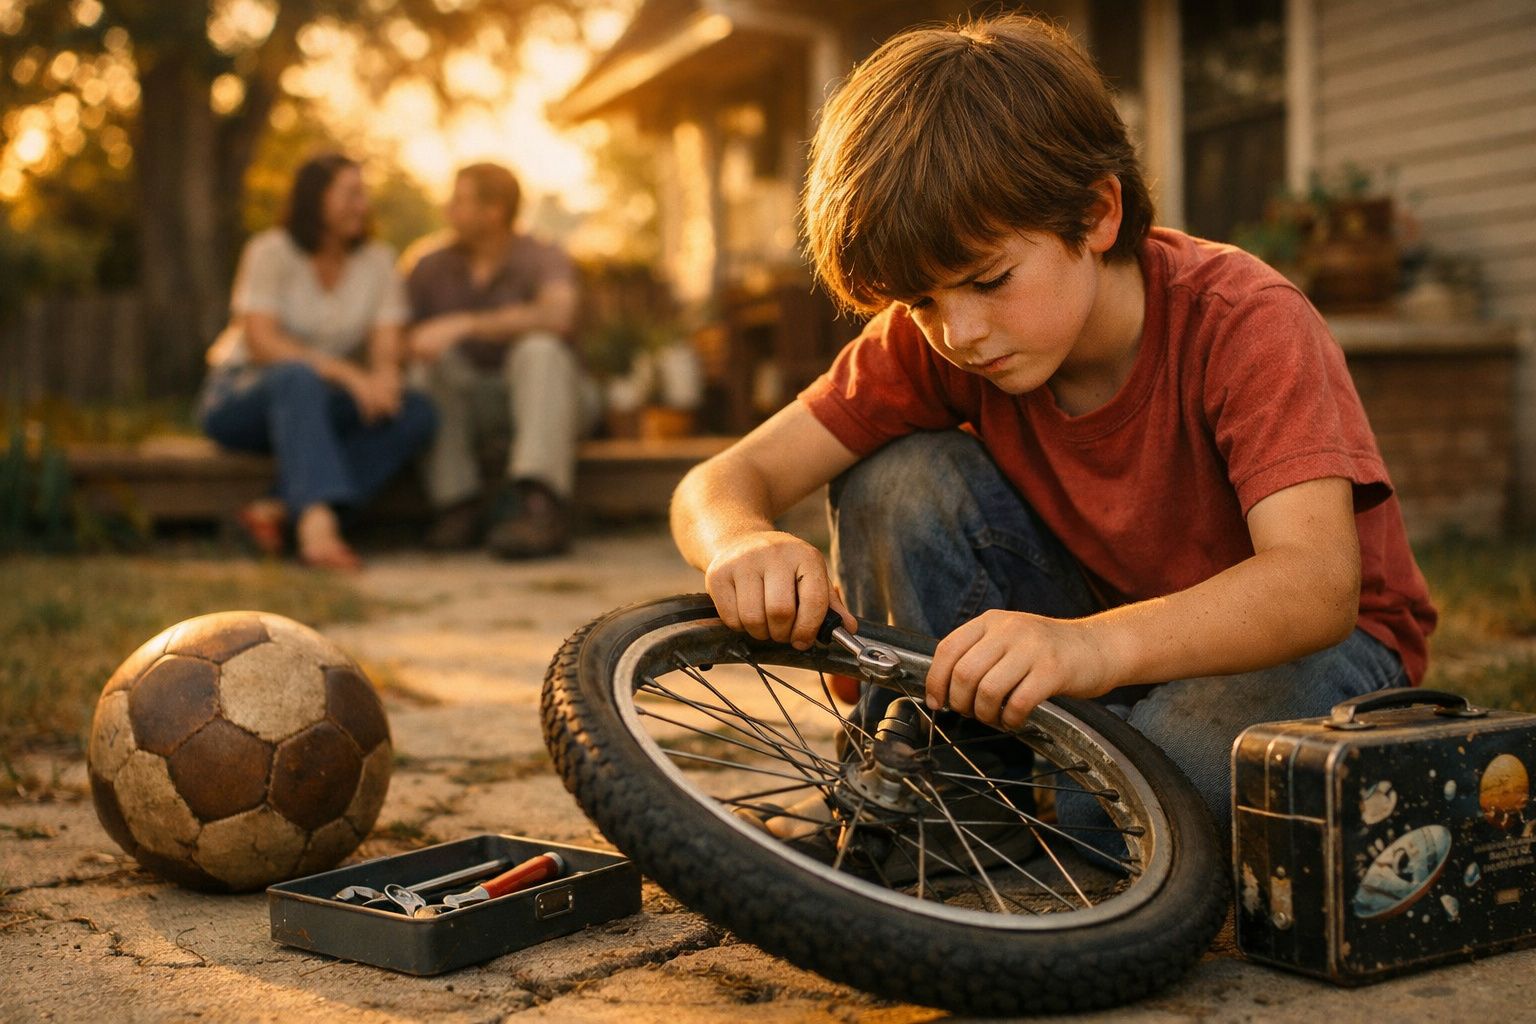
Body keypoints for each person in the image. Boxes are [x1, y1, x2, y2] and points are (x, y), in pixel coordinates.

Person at [669, 14, 1437, 841]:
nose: (957, 332)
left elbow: (1315, 588)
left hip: (1317, 652)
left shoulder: (1245, 321)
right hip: (1094, 637)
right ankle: (951, 799)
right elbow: (717, 482)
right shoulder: (952, 337)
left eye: (989, 279)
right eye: (919, 301)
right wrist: (740, 541)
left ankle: (1080, 793)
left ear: (1098, 213)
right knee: (899, 476)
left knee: (1112, 821)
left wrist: (1089, 651)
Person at [200, 153, 437, 570]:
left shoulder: (378, 261)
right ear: (315, 200)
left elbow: (386, 345)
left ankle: (277, 509)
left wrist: (384, 380)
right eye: (350, 194)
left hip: (320, 405)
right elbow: (262, 343)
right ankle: (318, 532)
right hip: (242, 398)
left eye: (363, 196)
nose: (362, 206)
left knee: (415, 412)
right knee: (297, 376)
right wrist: (346, 373)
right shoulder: (269, 251)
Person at [404, 162, 582, 557]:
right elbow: (398, 336)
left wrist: (465, 323)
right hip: (469, 401)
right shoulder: (427, 264)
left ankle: (538, 504)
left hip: (552, 400)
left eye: (459, 200)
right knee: (429, 364)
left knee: (540, 349)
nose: (447, 209)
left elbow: (558, 316)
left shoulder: (543, 255)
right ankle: (457, 504)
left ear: (494, 211)